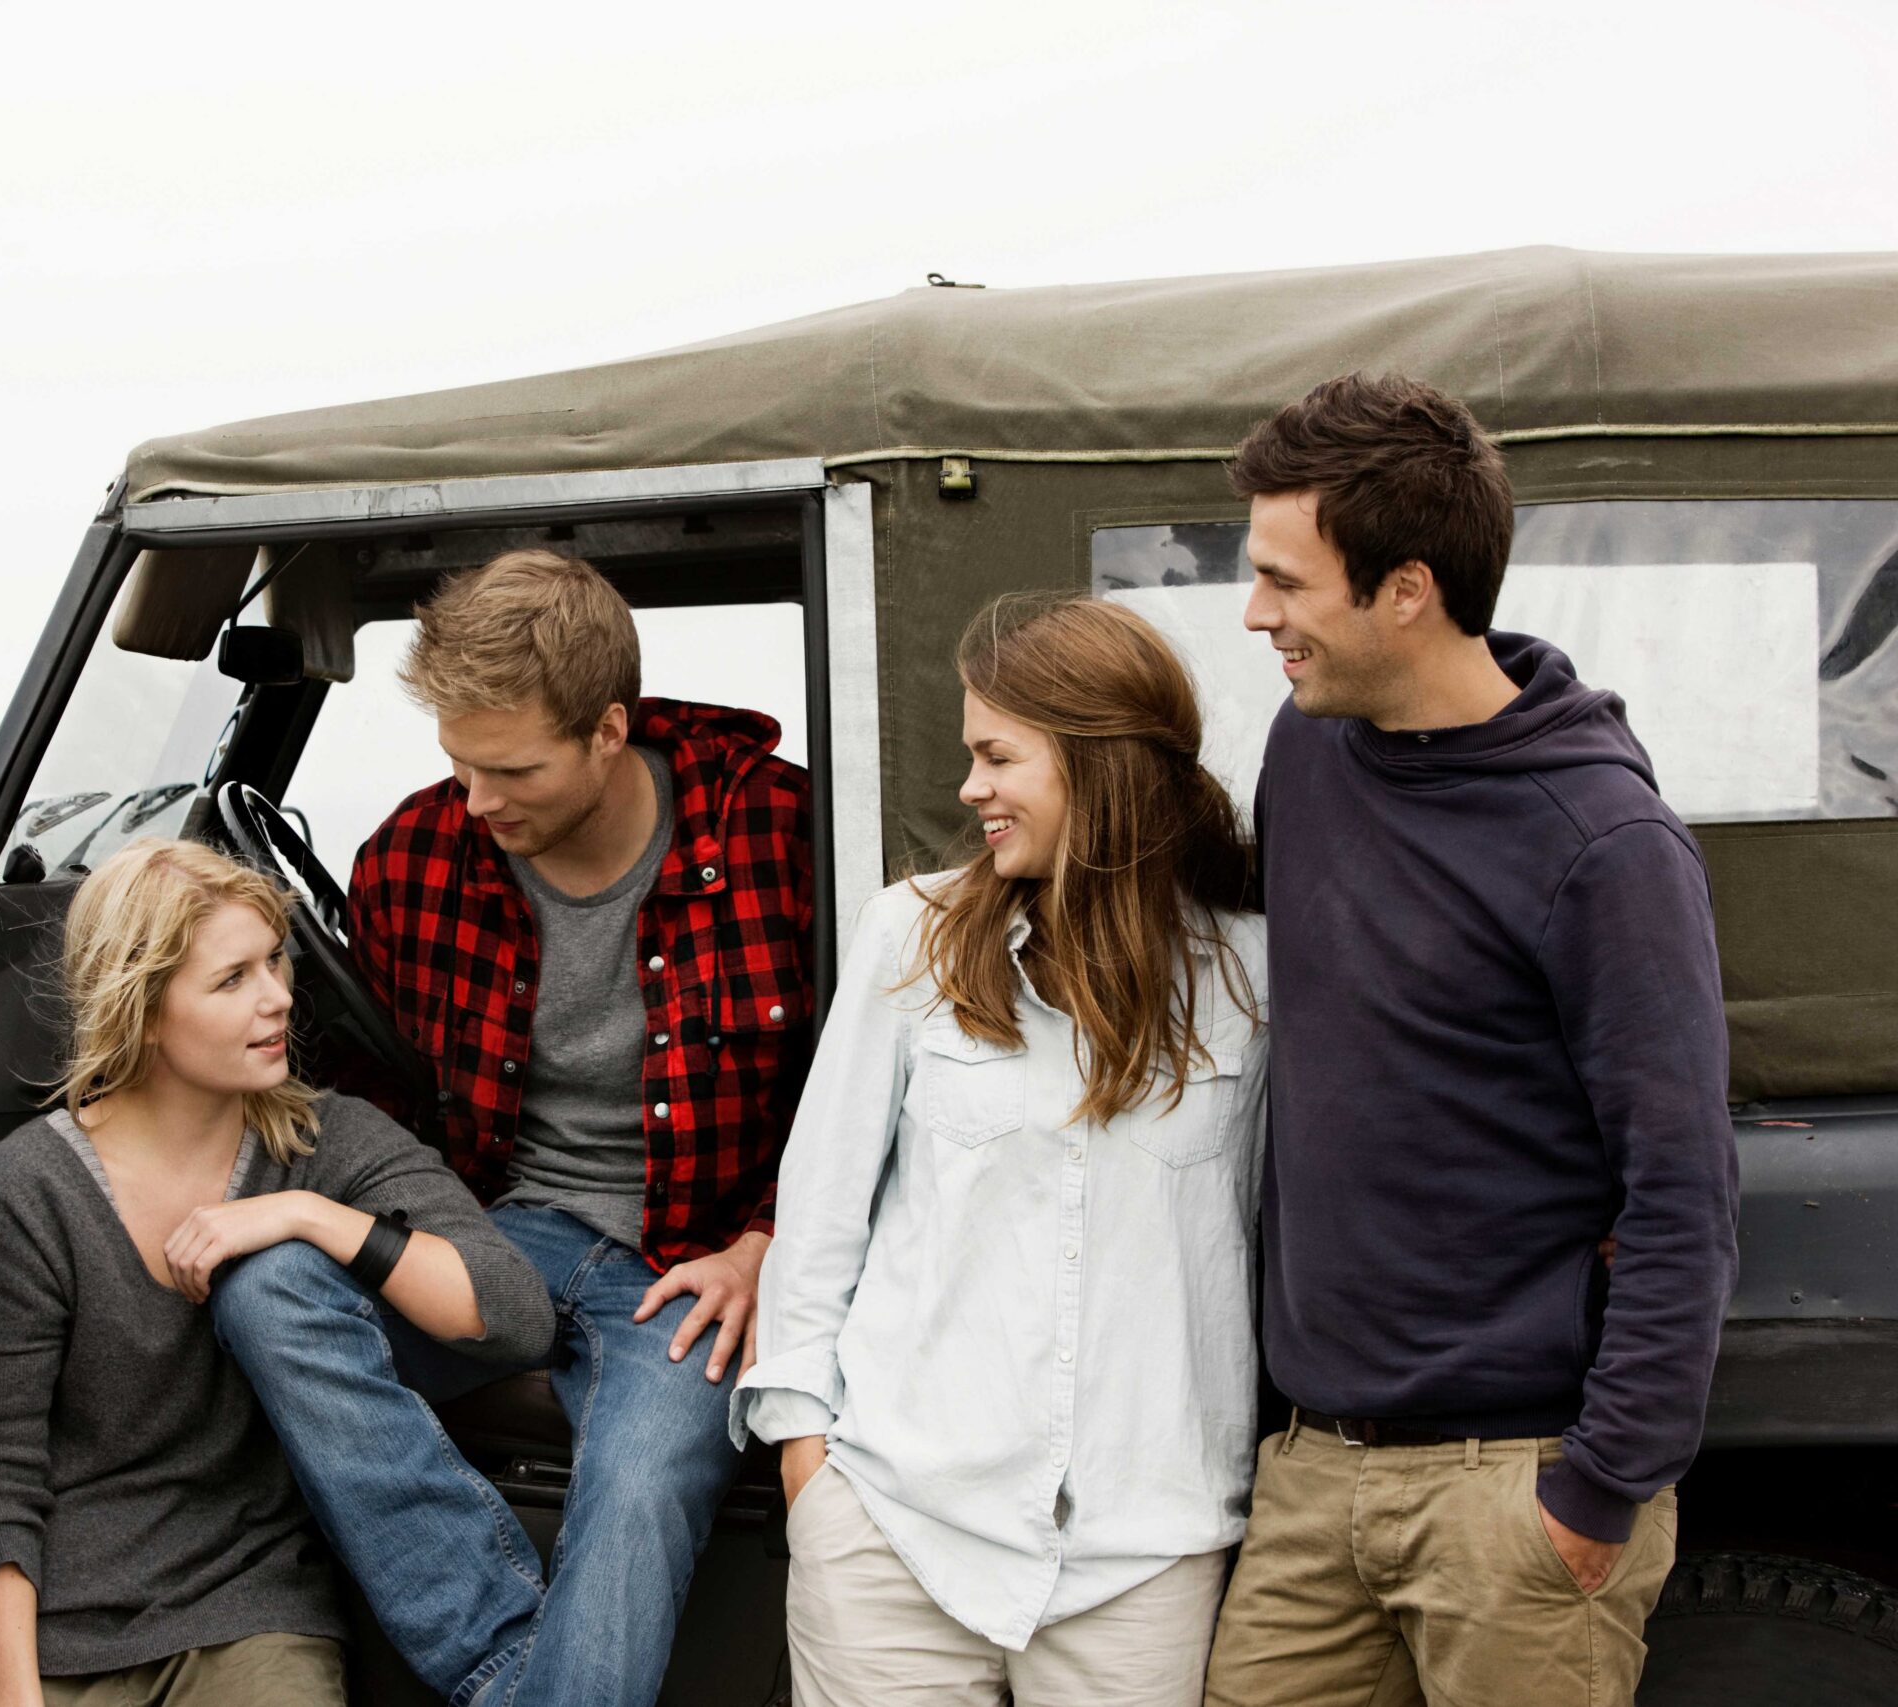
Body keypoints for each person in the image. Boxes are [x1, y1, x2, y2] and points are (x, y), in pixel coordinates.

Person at [1203, 374, 1740, 1707]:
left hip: (1519, 1484)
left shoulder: (1603, 844)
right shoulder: (1307, 744)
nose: (1257, 611)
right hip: (1313, 1467)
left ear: (1407, 588)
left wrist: (1592, 1492)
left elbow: (1684, 1193)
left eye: (1286, 579)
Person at [211, 548, 813, 1707]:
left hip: (693, 1260)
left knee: (639, 1483)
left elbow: (862, 1086)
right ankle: (510, 1672)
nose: (479, 802)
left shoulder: (776, 834)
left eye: (512, 769)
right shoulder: (416, 853)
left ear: (607, 731)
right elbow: (378, 1106)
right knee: (266, 1289)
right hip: (500, 1236)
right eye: (459, 764)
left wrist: (764, 1246)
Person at [733, 594, 1267, 1707]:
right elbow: (820, 1208)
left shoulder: (1252, 974)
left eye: (996, 755)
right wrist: (805, 1459)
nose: (970, 787)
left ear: (1096, 765)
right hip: (894, 1526)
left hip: (1144, 1550)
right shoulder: (910, 933)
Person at [0, 840, 555, 1707]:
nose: (277, 999)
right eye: (233, 979)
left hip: (252, 1611)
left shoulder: (327, 1144)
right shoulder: (24, 1193)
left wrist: (309, 1216)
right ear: (144, 1008)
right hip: (59, 1635)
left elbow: (512, 1313)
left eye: (275, 962)